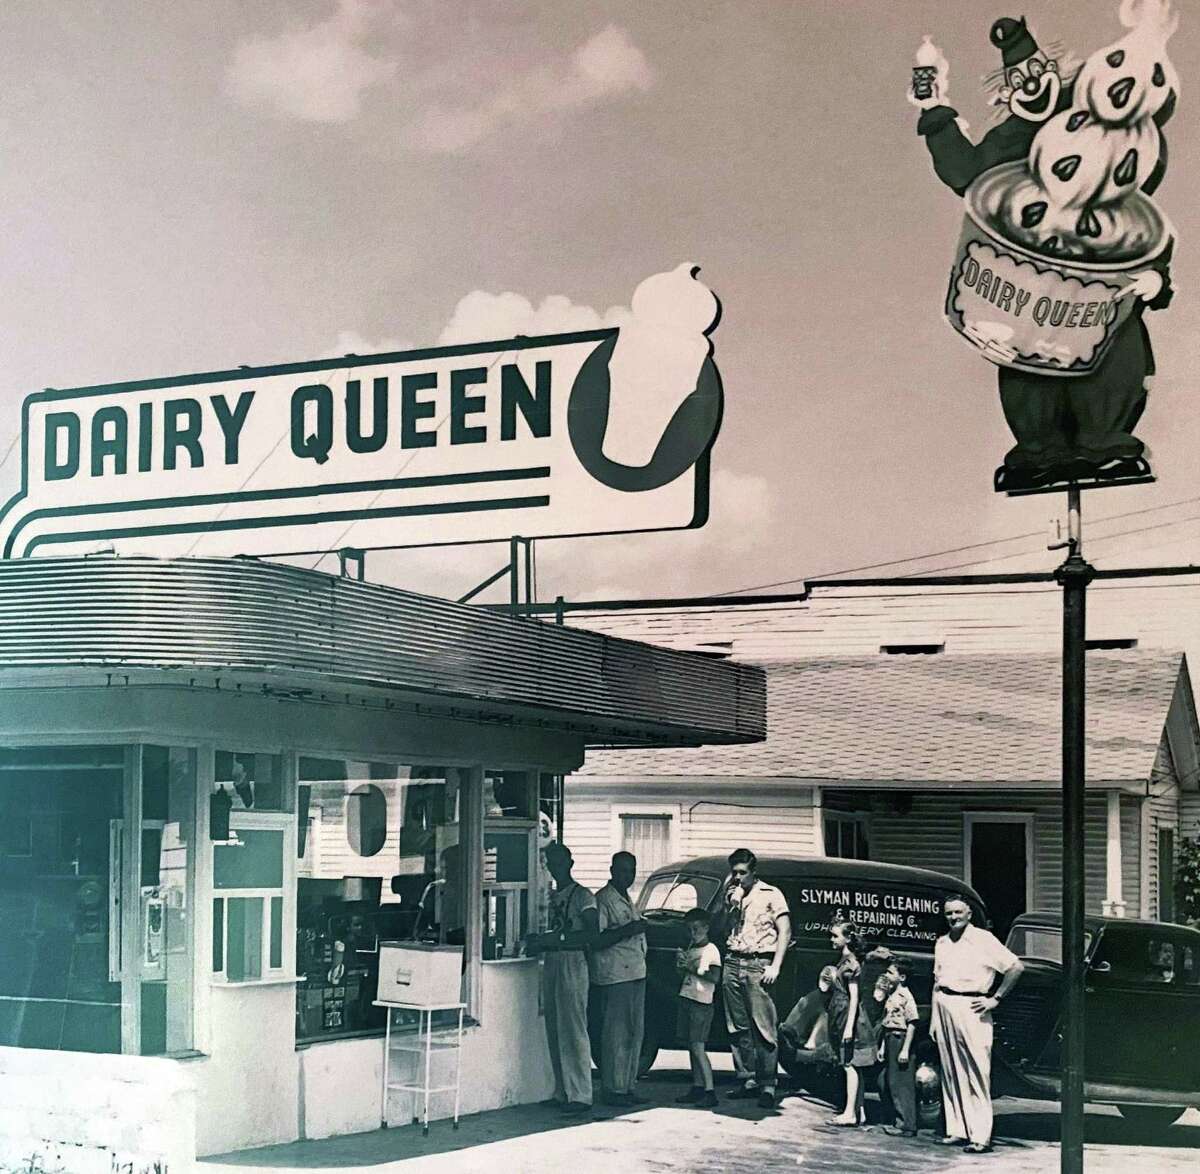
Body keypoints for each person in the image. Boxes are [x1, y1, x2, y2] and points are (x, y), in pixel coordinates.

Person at [932, 896, 1025, 1154]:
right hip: (944, 1005)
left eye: (958, 912)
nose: (953, 917)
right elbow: (937, 981)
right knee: (951, 1071)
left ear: (969, 914)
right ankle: (957, 1130)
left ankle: (980, 1136)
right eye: (949, 913)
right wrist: (934, 1020)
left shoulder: (983, 939)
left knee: (976, 1071)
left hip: (972, 1007)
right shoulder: (942, 943)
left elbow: (1016, 967)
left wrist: (995, 999)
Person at [525, 842, 599, 1115]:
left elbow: (592, 934)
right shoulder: (551, 895)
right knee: (554, 1027)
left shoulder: (583, 896)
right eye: (550, 862)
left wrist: (558, 938)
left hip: (572, 959)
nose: (555, 867)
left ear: (570, 862)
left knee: (574, 1027)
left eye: (559, 861)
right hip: (552, 960)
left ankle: (581, 1093)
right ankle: (562, 1090)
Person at [721, 848, 791, 1109]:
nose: (738, 877)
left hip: (758, 962)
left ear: (753, 871)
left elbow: (785, 930)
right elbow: (722, 925)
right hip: (733, 960)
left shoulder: (771, 894)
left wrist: (776, 965)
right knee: (737, 1026)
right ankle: (747, 1078)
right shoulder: (732, 895)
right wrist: (732, 903)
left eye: (743, 873)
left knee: (763, 1026)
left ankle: (768, 1084)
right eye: (734, 872)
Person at [591, 851, 650, 1106]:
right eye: (623, 870)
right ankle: (612, 1088)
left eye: (631, 871)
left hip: (636, 970)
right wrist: (628, 930)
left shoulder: (628, 898)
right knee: (616, 1032)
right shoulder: (603, 900)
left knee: (634, 1032)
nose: (627, 875)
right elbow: (597, 939)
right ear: (612, 870)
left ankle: (627, 1086)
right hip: (615, 974)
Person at [826, 920, 876, 1127]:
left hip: (849, 1015)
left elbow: (854, 997)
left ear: (847, 938)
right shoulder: (843, 961)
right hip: (841, 1012)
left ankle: (849, 1113)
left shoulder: (851, 965)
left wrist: (848, 1027)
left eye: (836, 936)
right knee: (854, 1066)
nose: (832, 939)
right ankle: (859, 1110)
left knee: (850, 1065)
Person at [674, 907, 722, 1109]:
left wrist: (691, 967)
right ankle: (697, 1086)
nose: (693, 934)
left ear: (706, 928)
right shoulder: (691, 948)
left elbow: (714, 977)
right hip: (688, 997)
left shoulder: (711, 950)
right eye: (689, 930)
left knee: (698, 1046)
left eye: (696, 929)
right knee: (691, 1045)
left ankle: (710, 1090)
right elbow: (683, 976)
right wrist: (680, 966)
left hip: (701, 1002)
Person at [877, 958, 920, 1139]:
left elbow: (912, 1023)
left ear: (901, 977)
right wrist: (882, 1047)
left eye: (890, 972)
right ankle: (895, 1119)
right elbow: (887, 1022)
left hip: (900, 1039)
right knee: (886, 1081)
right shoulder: (892, 994)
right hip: (889, 1038)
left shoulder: (906, 996)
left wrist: (905, 1049)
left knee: (901, 1084)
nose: (887, 975)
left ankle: (906, 1126)